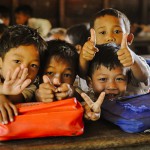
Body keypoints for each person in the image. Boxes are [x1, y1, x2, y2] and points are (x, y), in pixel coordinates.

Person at [79, 8, 150, 92]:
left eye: (117, 31)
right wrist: (84, 57)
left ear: (129, 39)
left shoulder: (134, 60)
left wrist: (133, 60)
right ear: (91, 40)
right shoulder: (89, 63)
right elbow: (81, 72)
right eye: (102, 32)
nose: (110, 37)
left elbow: (144, 76)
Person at [77, 43, 150, 121]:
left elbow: (144, 76)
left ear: (128, 80)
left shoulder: (136, 91)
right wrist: (89, 112)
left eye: (119, 79)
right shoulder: (89, 99)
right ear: (89, 82)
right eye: (103, 79)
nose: (112, 86)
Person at [0, 24, 47, 124]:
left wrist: (3, 95)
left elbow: (15, 97)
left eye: (33, 65)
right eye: (17, 61)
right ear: (0, 62)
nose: (25, 70)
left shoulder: (30, 87)